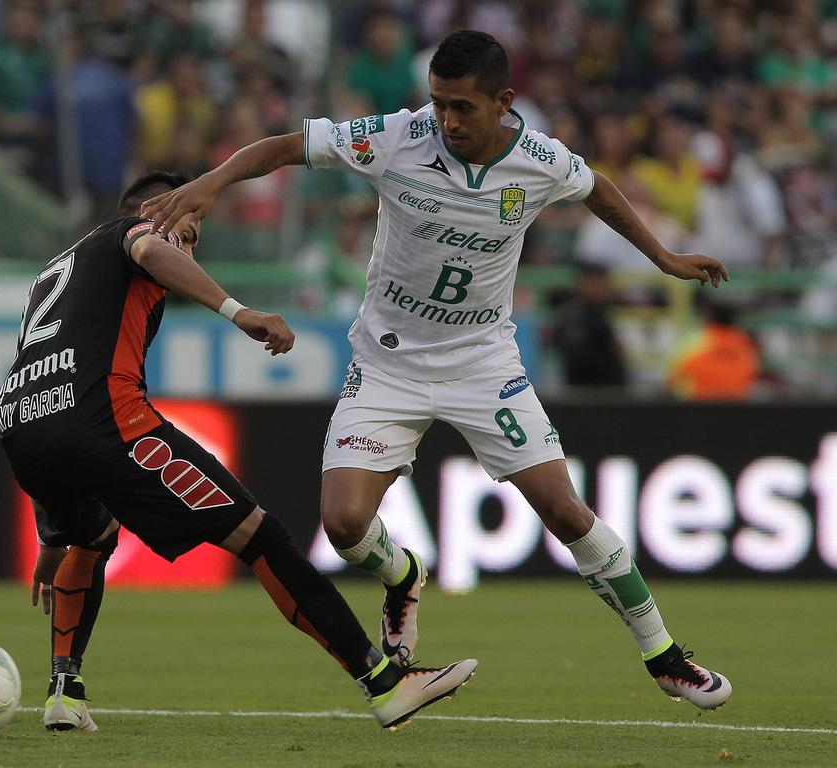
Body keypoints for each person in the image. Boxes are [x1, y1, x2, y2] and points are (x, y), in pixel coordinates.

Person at [142, 30, 733, 711]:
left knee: (565, 510)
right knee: (342, 525)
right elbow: (287, 146)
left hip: (484, 362)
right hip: (388, 361)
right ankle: (404, 574)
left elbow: (596, 188)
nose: (446, 121)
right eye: (438, 104)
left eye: (461, 107)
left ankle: (664, 657)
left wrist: (663, 257)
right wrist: (210, 183)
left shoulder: (539, 160)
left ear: (504, 102)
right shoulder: (396, 137)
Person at [0, 171, 476, 732]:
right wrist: (238, 311)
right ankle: (384, 683)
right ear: (154, 210)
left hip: (22, 427)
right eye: (190, 228)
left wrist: (53, 530)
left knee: (92, 534)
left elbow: (45, 394)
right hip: (107, 422)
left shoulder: (59, 270)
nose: (189, 243)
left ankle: (63, 694)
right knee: (259, 535)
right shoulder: (142, 231)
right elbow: (150, 248)